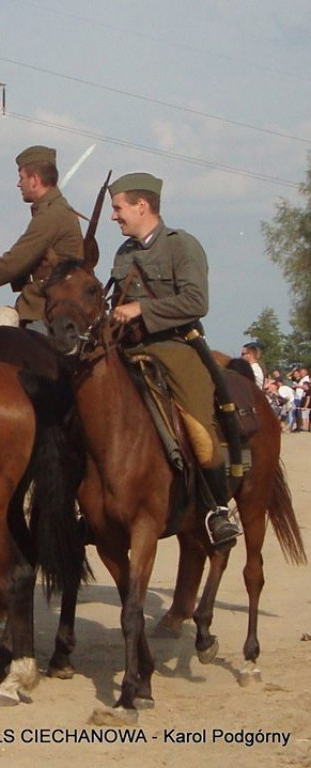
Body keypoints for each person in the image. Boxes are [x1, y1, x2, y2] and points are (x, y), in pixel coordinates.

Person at [106, 171, 241, 548]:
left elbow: (197, 302)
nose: (114, 216)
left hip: (175, 347)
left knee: (198, 428)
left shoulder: (182, 247)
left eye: (118, 208)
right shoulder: (124, 253)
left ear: (141, 206)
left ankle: (217, 510)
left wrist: (141, 309)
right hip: (128, 348)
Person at [0, 145, 83, 328]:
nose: (18, 184)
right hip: (43, 307)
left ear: (35, 180)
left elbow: (16, 260)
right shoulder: (54, 210)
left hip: (44, 312)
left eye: (21, 178)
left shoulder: (52, 215)